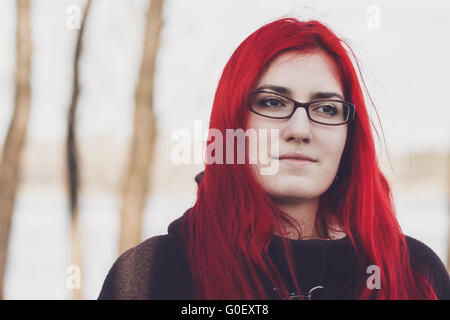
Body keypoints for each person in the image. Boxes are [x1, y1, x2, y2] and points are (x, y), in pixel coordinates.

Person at [98, 17, 450, 300]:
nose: (300, 129)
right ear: (233, 121)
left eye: (326, 108)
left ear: (349, 134)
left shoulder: (416, 275)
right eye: (272, 102)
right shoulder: (152, 276)